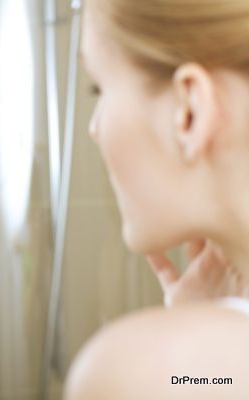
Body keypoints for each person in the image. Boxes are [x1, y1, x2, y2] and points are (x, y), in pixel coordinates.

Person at [64, 1, 249, 399]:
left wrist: (194, 341)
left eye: (100, 88)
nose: (94, 128)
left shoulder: (129, 373)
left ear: (190, 111)